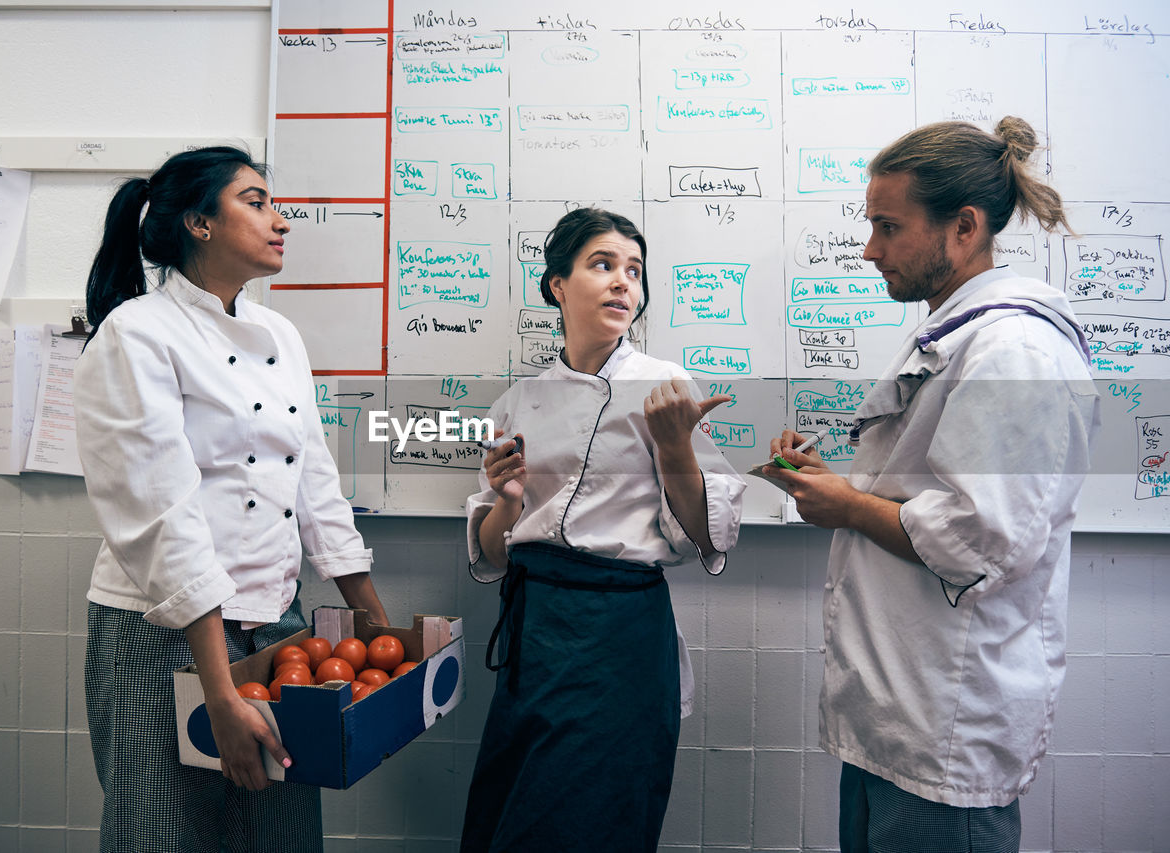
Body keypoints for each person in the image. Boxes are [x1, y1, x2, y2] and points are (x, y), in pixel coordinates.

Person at [765, 118, 1100, 852]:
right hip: (900, 722)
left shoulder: (1014, 351)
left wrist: (849, 505)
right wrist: (840, 488)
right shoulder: (963, 334)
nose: (870, 248)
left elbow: (982, 540)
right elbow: (937, 498)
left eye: (889, 226)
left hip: (946, 731)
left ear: (964, 227)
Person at [75, 146, 389, 853]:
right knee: (162, 835)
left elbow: (316, 487)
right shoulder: (137, 333)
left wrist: (374, 619)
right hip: (161, 636)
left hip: (276, 627)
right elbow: (165, 517)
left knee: (277, 836)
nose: (281, 220)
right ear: (199, 223)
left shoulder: (280, 335)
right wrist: (218, 690)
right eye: (256, 201)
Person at [460, 208, 746, 852]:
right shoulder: (517, 400)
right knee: (513, 811)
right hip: (535, 630)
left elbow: (707, 537)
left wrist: (675, 449)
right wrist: (506, 503)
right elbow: (488, 553)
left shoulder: (665, 386)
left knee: (593, 820)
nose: (624, 283)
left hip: (619, 635)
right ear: (557, 285)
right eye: (603, 265)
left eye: (635, 271)